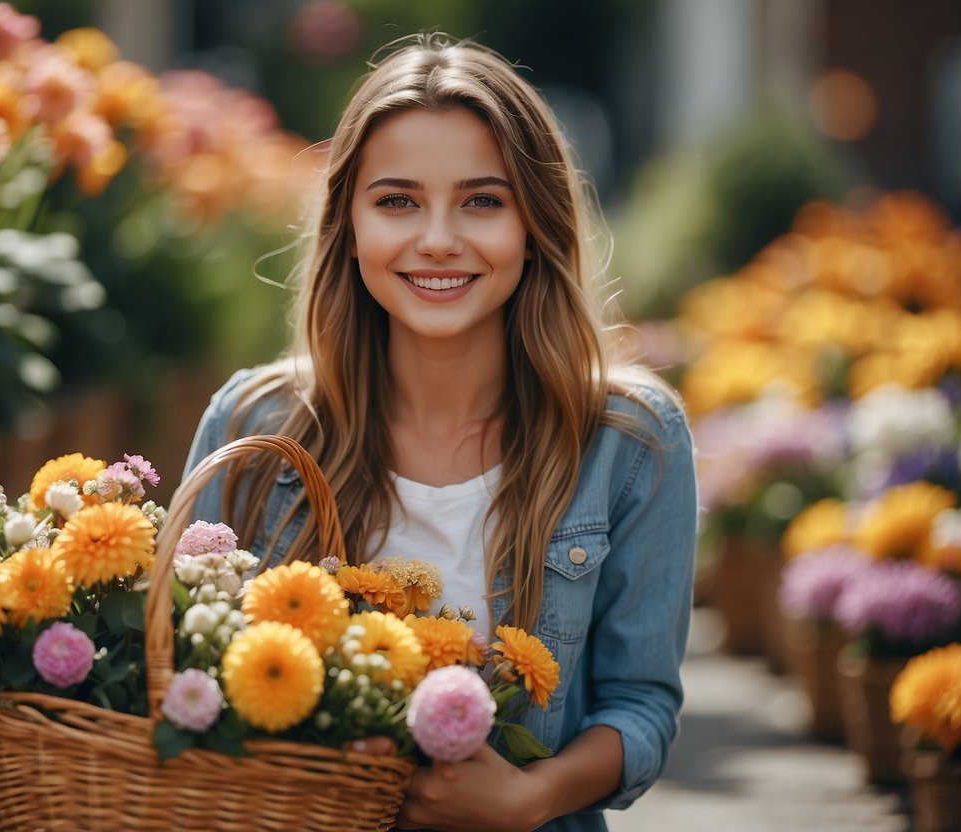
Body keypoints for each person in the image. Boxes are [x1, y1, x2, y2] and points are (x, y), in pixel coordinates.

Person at [182, 32, 697, 832]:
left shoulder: (630, 442)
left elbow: (639, 707)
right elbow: (175, 668)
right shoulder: (254, 424)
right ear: (348, 226)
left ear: (535, 224)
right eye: (397, 201)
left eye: (482, 201)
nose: (437, 239)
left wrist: (529, 798)